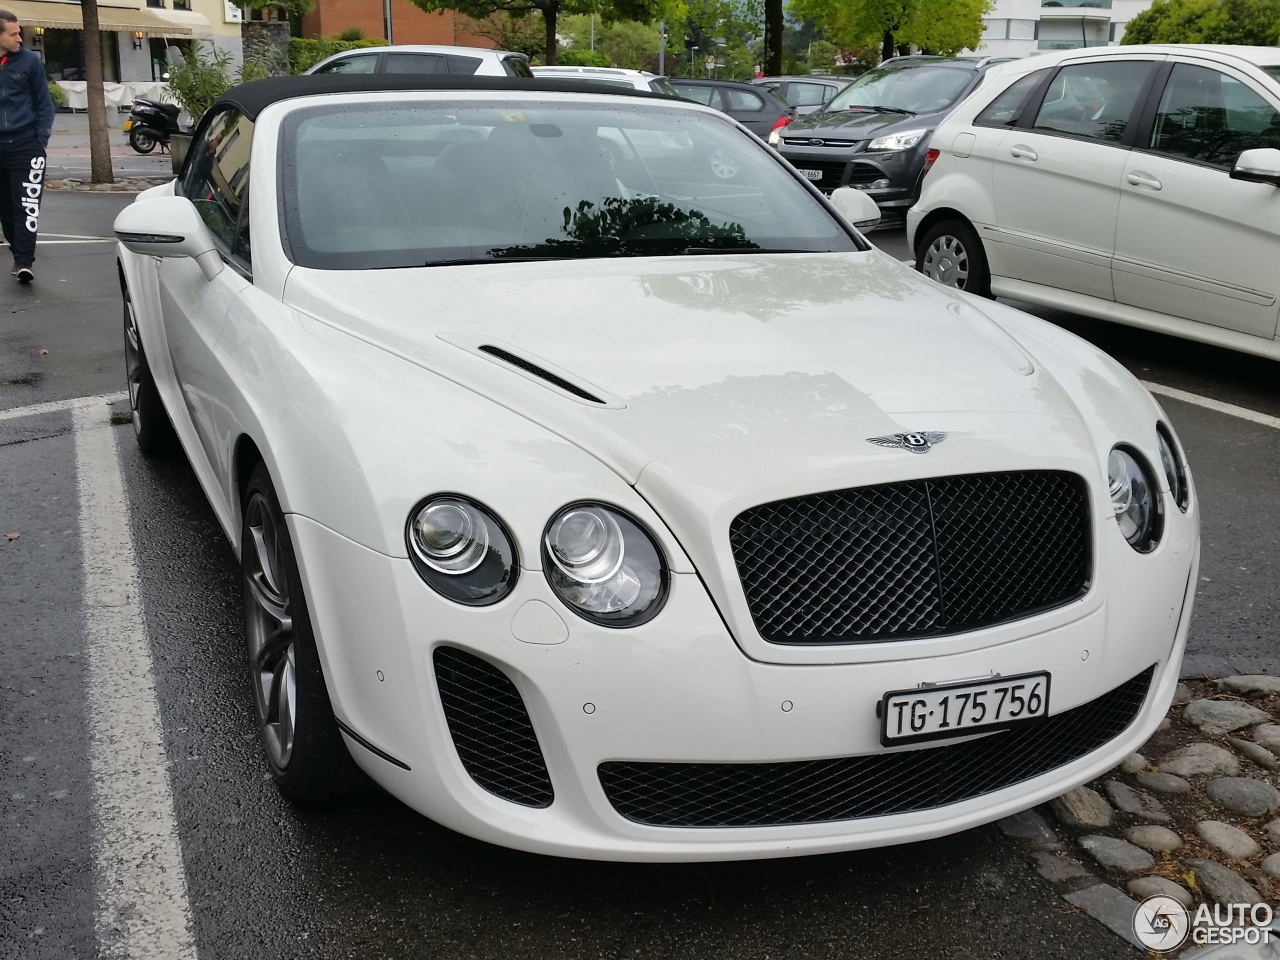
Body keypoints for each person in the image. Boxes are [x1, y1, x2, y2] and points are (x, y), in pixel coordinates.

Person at [0, 8, 54, 285]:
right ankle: (16, 251)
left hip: (26, 145)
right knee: (5, 210)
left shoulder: (30, 63)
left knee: (27, 206)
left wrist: (41, 140)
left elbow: (45, 104)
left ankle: (24, 261)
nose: (20, 38)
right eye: (13, 33)